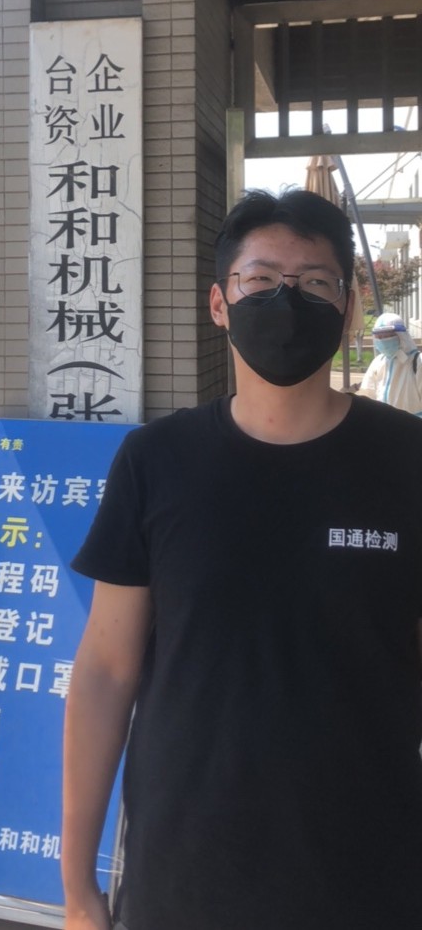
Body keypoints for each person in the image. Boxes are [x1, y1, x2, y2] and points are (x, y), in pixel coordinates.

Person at [61, 188, 422, 930]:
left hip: (373, 875)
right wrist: (76, 886)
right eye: (260, 280)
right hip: (184, 876)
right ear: (219, 304)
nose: (286, 301)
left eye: (314, 282)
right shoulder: (156, 461)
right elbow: (104, 673)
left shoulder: (408, 459)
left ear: (349, 307)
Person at [358, 310, 422, 414]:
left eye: (387, 336)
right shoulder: (378, 362)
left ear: (400, 335)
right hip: (382, 423)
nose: (382, 340)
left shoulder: (418, 362)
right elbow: (368, 395)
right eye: (379, 337)